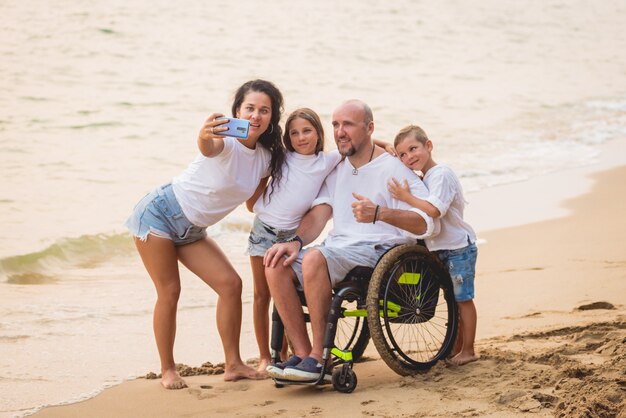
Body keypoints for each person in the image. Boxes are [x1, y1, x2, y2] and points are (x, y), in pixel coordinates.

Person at [124, 79, 286, 389]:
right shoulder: (224, 140)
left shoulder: (265, 158)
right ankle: (168, 369)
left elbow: (254, 204)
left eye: (264, 111)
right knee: (170, 291)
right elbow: (207, 147)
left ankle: (234, 363)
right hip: (158, 214)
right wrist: (203, 134)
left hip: (192, 230)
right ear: (237, 111)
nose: (255, 116)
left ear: (271, 117)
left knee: (230, 285)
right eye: (249, 108)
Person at [263, 100, 435, 381]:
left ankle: (320, 356)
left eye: (348, 125)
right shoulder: (337, 169)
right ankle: (304, 355)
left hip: (378, 251)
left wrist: (380, 213)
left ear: (369, 128)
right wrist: (294, 241)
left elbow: (427, 221)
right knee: (275, 262)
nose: (340, 132)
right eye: (335, 125)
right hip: (339, 248)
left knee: (317, 258)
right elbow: (319, 216)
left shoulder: (392, 168)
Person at [245, 108, 342, 374]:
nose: (301, 138)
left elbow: (356, 146)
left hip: (290, 238)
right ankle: (266, 355)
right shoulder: (282, 157)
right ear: (288, 137)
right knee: (261, 295)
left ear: (319, 134)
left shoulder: (326, 161)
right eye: (294, 133)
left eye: (307, 131)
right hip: (263, 232)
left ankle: (300, 352)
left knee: (283, 291)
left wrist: (388, 146)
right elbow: (253, 150)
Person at [387, 124, 478, 366]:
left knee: (463, 299)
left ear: (429, 146)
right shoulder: (424, 178)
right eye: (403, 154)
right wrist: (386, 147)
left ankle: (468, 349)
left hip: (458, 248)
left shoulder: (441, 174)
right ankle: (455, 346)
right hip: (439, 249)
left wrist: (405, 197)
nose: (409, 157)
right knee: (451, 299)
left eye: (413, 149)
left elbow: (435, 210)